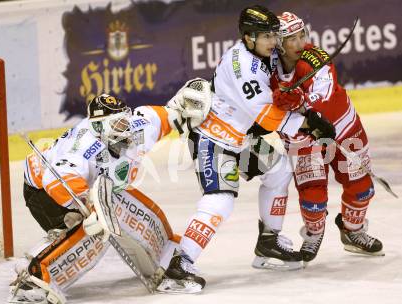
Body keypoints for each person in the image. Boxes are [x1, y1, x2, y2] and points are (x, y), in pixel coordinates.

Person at [156, 5, 336, 294]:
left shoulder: (260, 51)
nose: (273, 42)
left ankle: (268, 242)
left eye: (275, 35)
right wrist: (310, 122)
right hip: (212, 140)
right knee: (220, 201)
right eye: (266, 36)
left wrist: (306, 58)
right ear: (248, 37)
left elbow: (284, 68)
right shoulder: (242, 67)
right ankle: (180, 265)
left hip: (238, 139)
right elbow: (267, 117)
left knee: (278, 169)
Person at [9, 81, 212, 304]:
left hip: (92, 187)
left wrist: (181, 111)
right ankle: (34, 276)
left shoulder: (138, 126)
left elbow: (165, 116)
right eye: (117, 124)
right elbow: (54, 180)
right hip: (44, 193)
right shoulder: (84, 144)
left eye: (125, 119)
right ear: (99, 128)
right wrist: (88, 207)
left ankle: (168, 262)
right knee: (95, 230)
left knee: (126, 209)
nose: (126, 127)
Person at [270, 11, 384, 263]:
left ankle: (352, 231)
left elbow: (321, 97)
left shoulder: (316, 58)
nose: (300, 43)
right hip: (302, 137)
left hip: (342, 127)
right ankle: (313, 234)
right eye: (292, 39)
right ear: (278, 42)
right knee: (313, 197)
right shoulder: (267, 68)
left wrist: (295, 101)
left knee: (362, 188)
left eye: (302, 35)